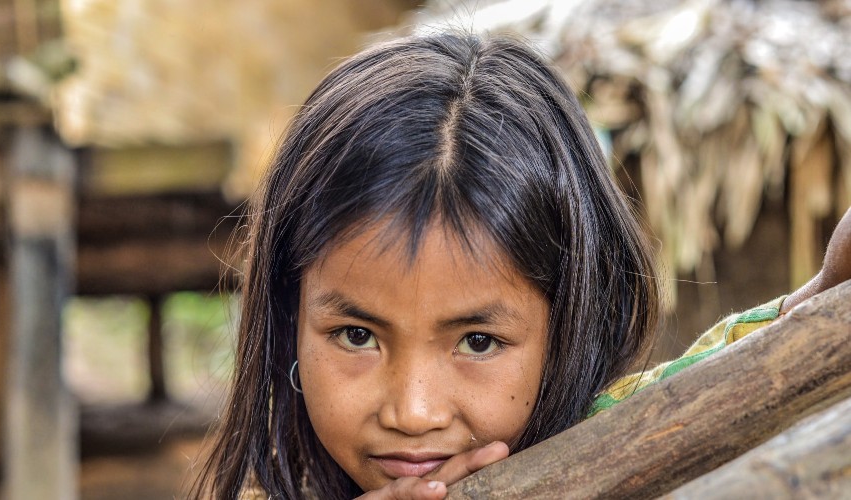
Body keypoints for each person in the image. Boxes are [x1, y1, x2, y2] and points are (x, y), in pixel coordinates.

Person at [192, 31, 851, 499]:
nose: (413, 412)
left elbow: (719, 384)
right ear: (289, 315)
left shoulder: (628, 442)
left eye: (478, 341)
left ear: (569, 324)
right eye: (357, 335)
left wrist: (823, 298)